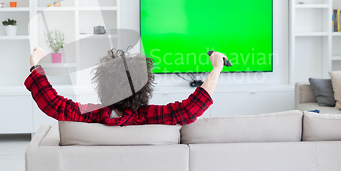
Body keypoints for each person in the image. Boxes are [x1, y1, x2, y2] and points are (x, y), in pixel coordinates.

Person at [25, 47, 227, 126]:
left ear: (103, 86)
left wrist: (35, 65)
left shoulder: (92, 116)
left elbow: (53, 104)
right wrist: (216, 68)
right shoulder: (152, 117)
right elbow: (189, 109)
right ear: (146, 86)